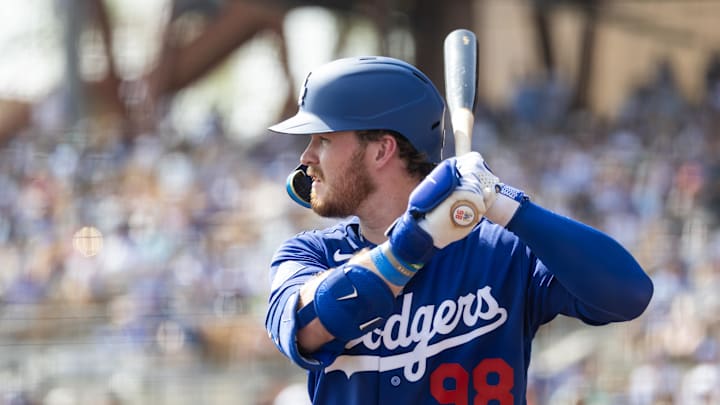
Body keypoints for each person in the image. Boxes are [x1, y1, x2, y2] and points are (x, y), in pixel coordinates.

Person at [264, 56, 654, 405]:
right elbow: (308, 328)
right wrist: (415, 241)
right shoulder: (309, 254)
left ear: (382, 150)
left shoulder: (502, 249)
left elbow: (628, 295)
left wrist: (505, 203)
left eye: (324, 140)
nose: (306, 157)